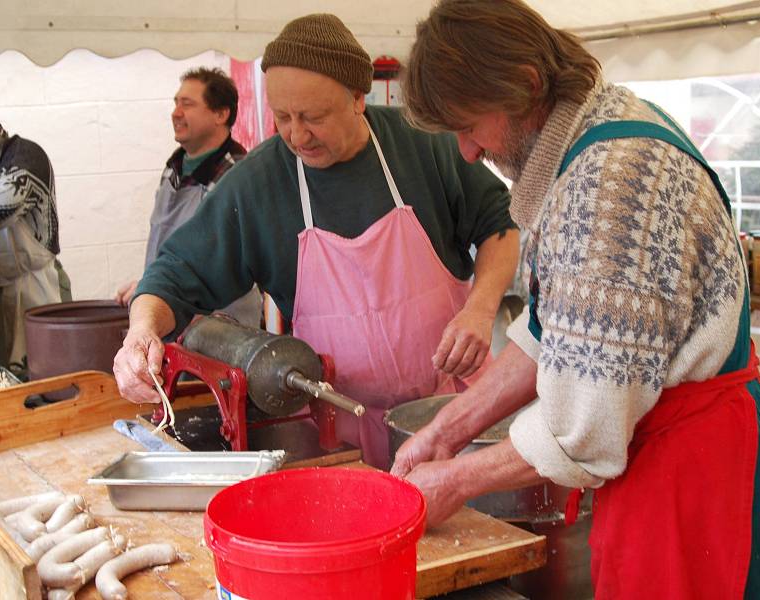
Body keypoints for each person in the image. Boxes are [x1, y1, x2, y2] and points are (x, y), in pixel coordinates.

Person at [390, 1, 760, 598]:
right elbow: (559, 332)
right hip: (684, 452)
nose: (468, 153)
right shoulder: (602, 123)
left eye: (470, 125)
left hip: (699, 475)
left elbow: (585, 428)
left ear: (526, 84)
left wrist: (452, 482)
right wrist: (447, 428)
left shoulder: (609, 184)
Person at [112, 14, 519, 469]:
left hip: (453, 411)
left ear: (358, 98)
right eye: (282, 117)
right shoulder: (258, 184)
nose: (297, 135)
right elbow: (172, 276)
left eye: (314, 117)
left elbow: (500, 225)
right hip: (339, 436)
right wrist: (140, 333)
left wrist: (480, 309)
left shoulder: (424, 142)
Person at [114, 67, 262, 329]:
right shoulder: (174, 168)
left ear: (221, 114)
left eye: (187, 104)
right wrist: (151, 285)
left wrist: (163, 292)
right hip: (173, 316)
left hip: (223, 327)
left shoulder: (239, 174)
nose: (176, 113)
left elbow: (224, 256)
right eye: (175, 103)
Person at [0, 123, 71, 370]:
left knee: (48, 383)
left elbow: (4, 208)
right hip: (4, 291)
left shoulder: (25, 156)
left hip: (37, 288)